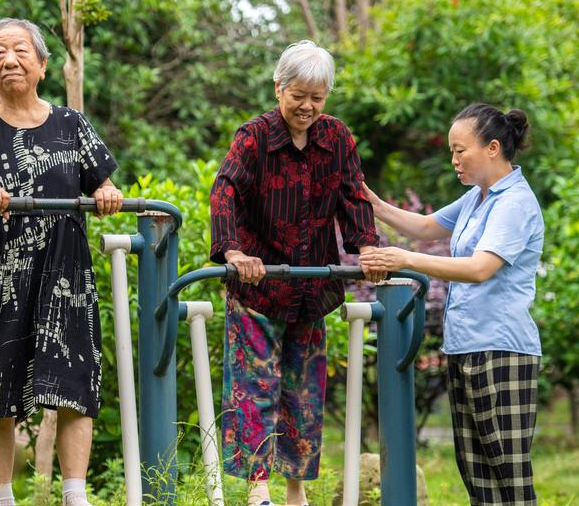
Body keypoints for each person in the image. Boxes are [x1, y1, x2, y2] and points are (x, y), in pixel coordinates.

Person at [0, 18, 123, 506]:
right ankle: (2, 497)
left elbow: (103, 182)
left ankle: (75, 495)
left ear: (42, 64)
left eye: (19, 51)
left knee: (74, 384)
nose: (8, 60)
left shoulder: (71, 124)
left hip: (66, 277)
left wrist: (105, 191)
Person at [210, 40, 385, 506]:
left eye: (317, 97)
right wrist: (231, 251)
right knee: (256, 384)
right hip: (258, 284)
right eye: (298, 95)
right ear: (278, 87)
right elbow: (224, 190)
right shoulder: (254, 137)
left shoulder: (338, 138)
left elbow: (352, 196)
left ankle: (296, 491)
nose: (307, 106)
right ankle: (258, 487)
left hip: (311, 286)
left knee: (304, 391)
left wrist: (366, 245)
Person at [360, 103, 544, 506]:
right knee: (476, 472)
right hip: (465, 347)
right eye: (452, 151)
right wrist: (369, 200)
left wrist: (404, 260)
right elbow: (425, 228)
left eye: (460, 150)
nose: (454, 159)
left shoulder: (513, 203)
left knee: (507, 474)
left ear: (492, 148)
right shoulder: (477, 199)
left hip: (501, 350)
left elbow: (480, 268)